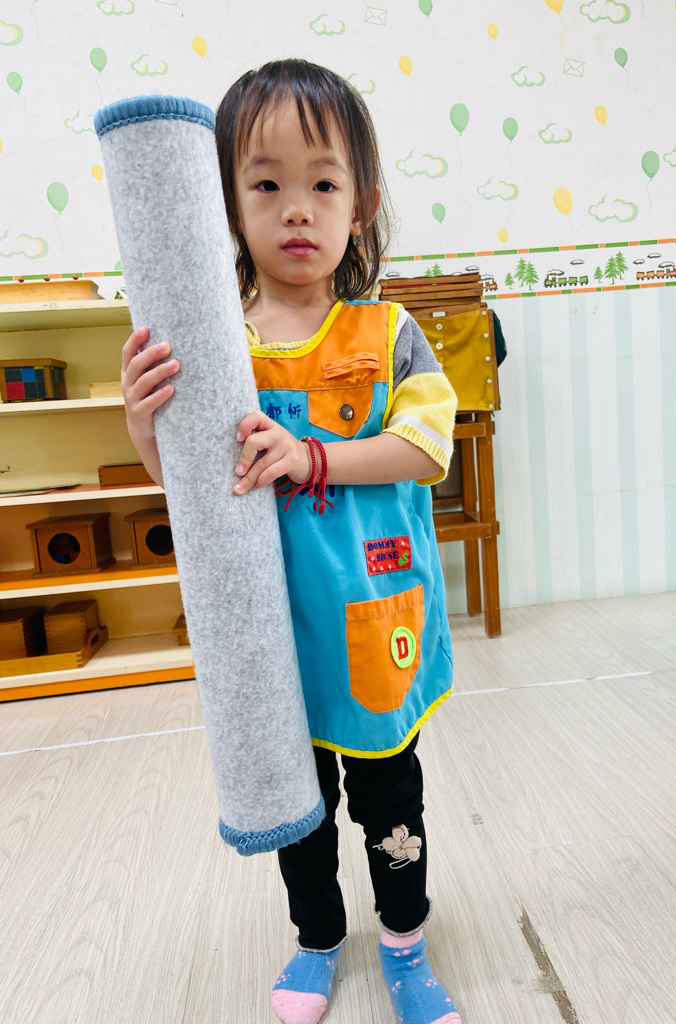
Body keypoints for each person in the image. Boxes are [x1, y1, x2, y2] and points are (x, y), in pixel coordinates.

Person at [120, 58, 460, 1024]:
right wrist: (147, 426)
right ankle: (317, 940)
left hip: (373, 624)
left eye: (323, 183)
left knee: (390, 802)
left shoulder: (387, 333)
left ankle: (404, 942)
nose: (297, 209)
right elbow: (197, 491)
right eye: (266, 184)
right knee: (296, 812)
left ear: (363, 204)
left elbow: (426, 448)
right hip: (270, 642)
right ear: (229, 205)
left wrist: (312, 458)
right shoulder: (217, 344)